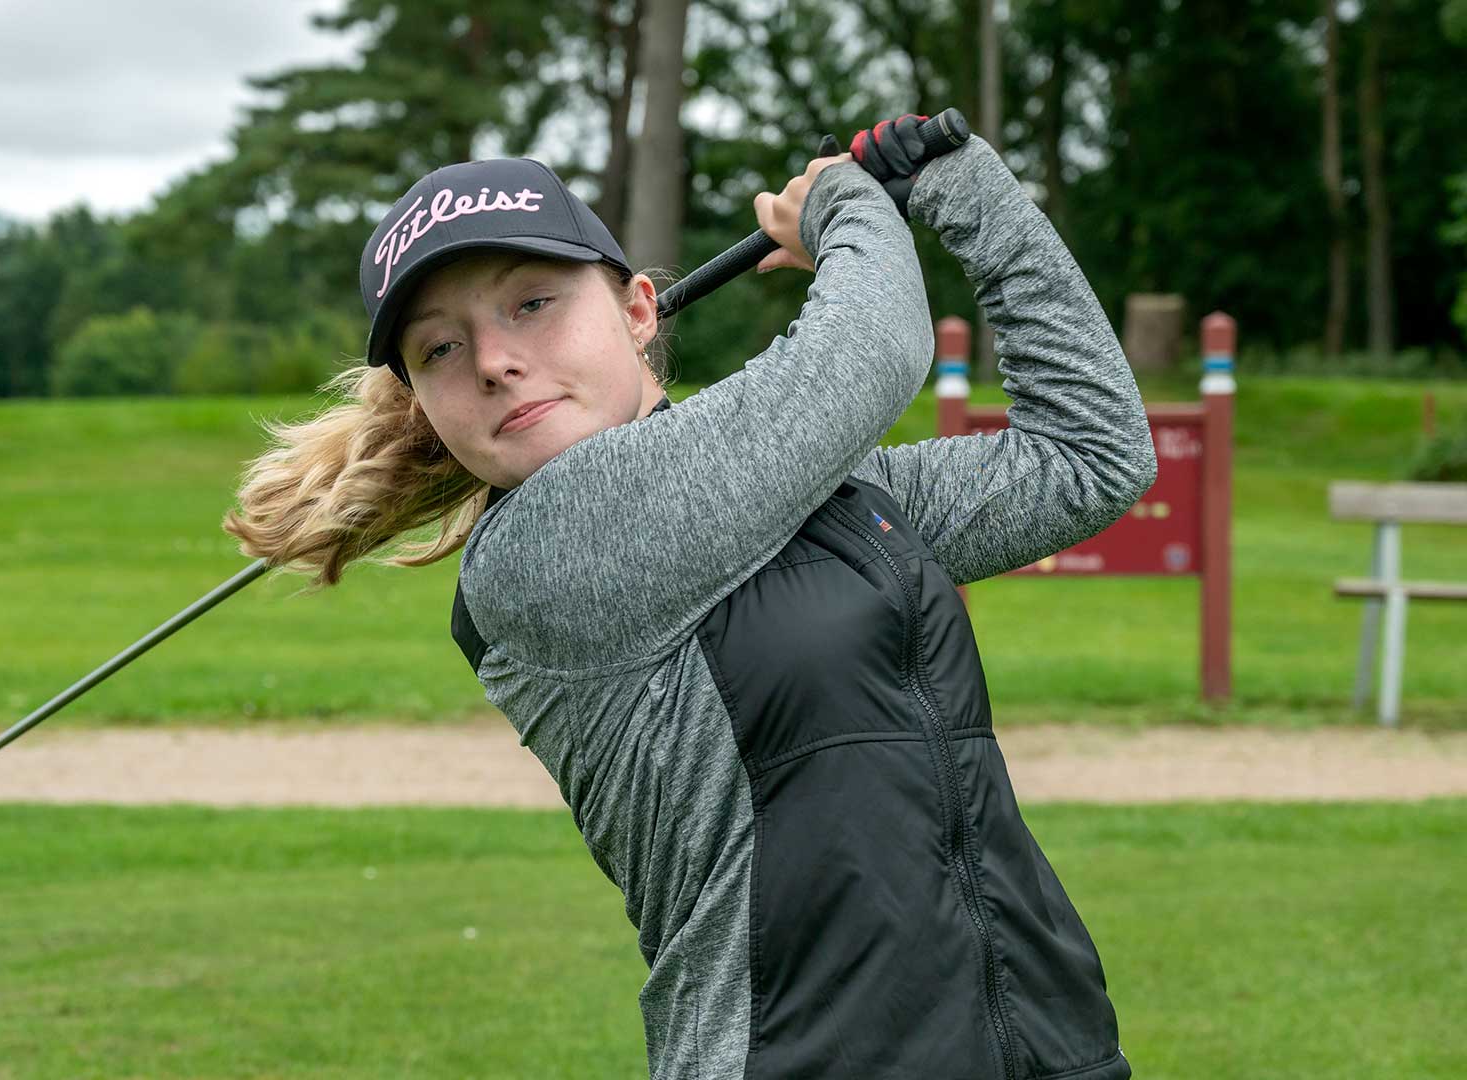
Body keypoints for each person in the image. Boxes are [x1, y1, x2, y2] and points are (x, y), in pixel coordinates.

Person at [224, 114, 1154, 1079]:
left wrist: (966, 190)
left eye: (533, 304)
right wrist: (843, 202)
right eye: (440, 351)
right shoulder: (545, 557)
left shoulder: (826, 499)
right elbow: (872, 349)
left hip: (1046, 1046)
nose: (494, 359)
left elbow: (1088, 458)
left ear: (637, 310)